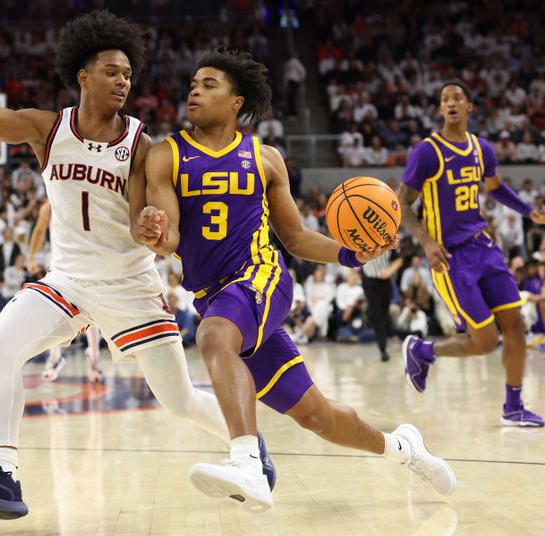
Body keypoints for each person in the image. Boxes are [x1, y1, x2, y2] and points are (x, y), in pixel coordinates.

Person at [0, 12, 274, 520]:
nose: (123, 81)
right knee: (2, 344)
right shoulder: (47, 128)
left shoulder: (141, 146)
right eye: (112, 71)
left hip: (129, 285)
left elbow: (140, 223)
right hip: (66, 281)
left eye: (129, 75)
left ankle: (250, 450)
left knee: (178, 400)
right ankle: (3, 475)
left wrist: (151, 227)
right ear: (83, 76)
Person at [135, 48, 456, 510]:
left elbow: (297, 237)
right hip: (216, 297)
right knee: (317, 416)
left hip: (261, 278)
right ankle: (404, 448)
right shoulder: (166, 155)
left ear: (236, 100)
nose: (195, 90)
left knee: (213, 338)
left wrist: (349, 253)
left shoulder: (264, 158)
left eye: (209, 84)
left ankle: (248, 463)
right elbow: (170, 239)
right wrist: (158, 233)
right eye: (193, 84)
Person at [398, 80, 544, 427]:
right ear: (440, 109)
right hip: (450, 258)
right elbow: (402, 203)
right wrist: (426, 241)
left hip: (484, 247)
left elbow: (494, 189)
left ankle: (513, 406)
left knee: (516, 325)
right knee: (483, 342)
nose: (451, 103)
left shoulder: (482, 150)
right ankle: (422, 350)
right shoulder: (426, 152)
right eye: (445, 99)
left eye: (457, 98)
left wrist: (528, 212)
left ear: (469, 108)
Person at [28, 200, 104, 383]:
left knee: (63, 313)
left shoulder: (56, 199)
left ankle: (81, 358)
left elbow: (39, 230)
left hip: (75, 265)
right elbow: (39, 230)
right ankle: (88, 360)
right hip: (75, 266)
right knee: (88, 314)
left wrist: (31, 258)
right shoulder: (93, 191)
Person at [361, 250, 403, 361]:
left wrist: (389, 271)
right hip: (369, 281)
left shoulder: (386, 239)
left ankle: (371, 317)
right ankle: (382, 348)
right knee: (377, 314)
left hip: (385, 282)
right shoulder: (362, 241)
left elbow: (398, 260)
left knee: (384, 313)